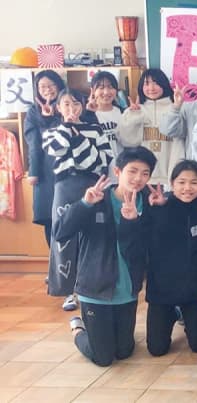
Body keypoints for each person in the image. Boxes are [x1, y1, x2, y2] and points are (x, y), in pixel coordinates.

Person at [64, 147, 156, 367]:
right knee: (103, 357)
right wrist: (84, 204)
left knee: (124, 351)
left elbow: (139, 244)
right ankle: (78, 329)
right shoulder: (97, 198)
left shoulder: (149, 202)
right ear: (117, 171)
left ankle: (105, 333)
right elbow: (61, 232)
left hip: (127, 289)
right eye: (132, 171)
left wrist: (132, 220)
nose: (138, 178)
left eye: (145, 173)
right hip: (95, 288)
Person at [145, 160, 197, 356]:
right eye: (181, 182)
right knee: (157, 349)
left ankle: (185, 315)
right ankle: (174, 313)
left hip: (193, 290)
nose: (187, 188)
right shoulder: (158, 206)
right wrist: (155, 209)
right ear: (172, 184)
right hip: (162, 290)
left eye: (194, 182)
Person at [43, 89, 113, 311]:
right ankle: (67, 291)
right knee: (64, 235)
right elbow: (55, 150)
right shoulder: (52, 131)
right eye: (66, 104)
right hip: (64, 186)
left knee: (92, 235)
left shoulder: (95, 129)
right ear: (58, 108)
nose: (71, 108)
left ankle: (90, 286)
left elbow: (99, 161)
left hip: (92, 185)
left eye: (75, 104)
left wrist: (77, 138)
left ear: (82, 106)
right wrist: (67, 127)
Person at [23, 70, 67, 248]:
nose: (48, 90)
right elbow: (34, 144)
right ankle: (55, 261)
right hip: (46, 171)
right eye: (43, 87)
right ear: (37, 90)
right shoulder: (33, 112)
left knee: (71, 215)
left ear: (59, 85)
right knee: (50, 218)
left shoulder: (68, 103)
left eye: (51, 85)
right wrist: (33, 172)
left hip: (70, 169)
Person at [118, 68, 180, 186]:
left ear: (164, 84)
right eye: (146, 83)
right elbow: (127, 141)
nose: (151, 88)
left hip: (171, 176)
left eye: (156, 83)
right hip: (142, 179)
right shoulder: (136, 110)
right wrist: (134, 115)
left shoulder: (175, 108)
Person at [87, 71, 126, 182]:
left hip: (121, 170)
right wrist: (88, 114)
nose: (106, 92)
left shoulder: (122, 112)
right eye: (101, 87)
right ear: (92, 91)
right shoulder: (88, 115)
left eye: (110, 87)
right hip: (98, 174)